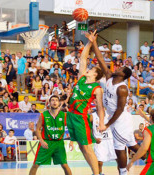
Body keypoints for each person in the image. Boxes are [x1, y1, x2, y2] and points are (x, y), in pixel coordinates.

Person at [90, 31, 140, 175]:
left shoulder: (122, 88)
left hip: (120, 119)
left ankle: (123, 173)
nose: (117, 67)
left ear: (123, 74)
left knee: (119, 148)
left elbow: (119, 110)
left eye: (120, 68)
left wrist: (107, 124)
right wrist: (94, 42)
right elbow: (100, 60)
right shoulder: (110, 77)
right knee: (132, 145)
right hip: (117, 117)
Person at [66, 32, 105, 175]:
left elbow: (100, 108)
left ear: (95, 74)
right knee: (82, 148)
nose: (88, 68)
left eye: (92, 69)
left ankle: (97, 173)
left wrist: (101, 122)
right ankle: (95, 172)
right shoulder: (82, 79)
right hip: (70, 115)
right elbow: (83, 59)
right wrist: (89, 42)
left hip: (80, 117)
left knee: (88, 148)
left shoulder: (97, 88)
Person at [29, 95, 72, 175]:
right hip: (46, 142)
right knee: (35, 165)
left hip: (59, 143)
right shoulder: (43, 115)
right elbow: (37, 129)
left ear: (59, 103)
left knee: (64, 165)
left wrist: (71, 141)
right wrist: (41, 141)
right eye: (52, 100)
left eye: (56, 100)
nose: (54, 102)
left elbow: (71, 128)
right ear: (49, 103)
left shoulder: (64, 115)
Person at [92, 110, 116, 175]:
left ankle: (122, 172)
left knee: (118, 159)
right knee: (99, 161)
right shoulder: (92, 116)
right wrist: (94, 138)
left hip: (110, 139)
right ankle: (99, 173)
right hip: (99, 140)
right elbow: (88, 129)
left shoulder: (109, 113)